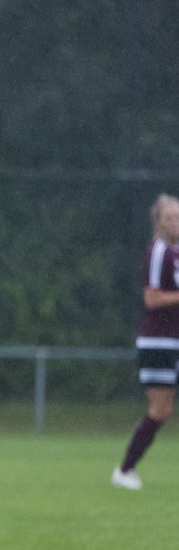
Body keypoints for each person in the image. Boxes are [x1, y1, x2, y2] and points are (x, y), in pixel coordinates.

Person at [113, 194, 179, 490]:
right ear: (158, 222)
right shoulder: (159, 252)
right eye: (170, 217)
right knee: (161, 410)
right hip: (159, 341)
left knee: (163, 410)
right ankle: (125, 469)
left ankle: (126, 469)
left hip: (174, 339)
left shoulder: (176, 253)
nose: (176, 222)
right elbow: (151, 298)